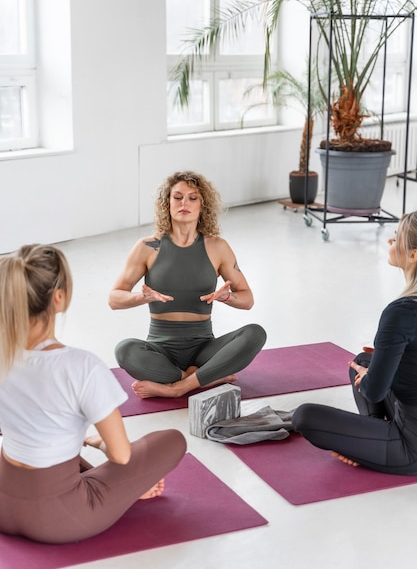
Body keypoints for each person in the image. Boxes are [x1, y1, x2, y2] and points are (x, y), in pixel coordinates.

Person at [0, 244, 186, 544]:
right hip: (58, 518)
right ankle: (124, 490)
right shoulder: (81, 366)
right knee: (171, 440)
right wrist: (98, 442)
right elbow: (121, 455)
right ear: (58, 299)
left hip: (4, 503)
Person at [109, 170, 267, 399]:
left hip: (204, 349)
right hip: (161, 350)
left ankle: (177, 386)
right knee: (124, 349)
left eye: (193, 198)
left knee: (255, 333)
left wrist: (227, 297)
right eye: (178, 197)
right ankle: (205, 377)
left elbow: (247, 299)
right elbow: (114, 298)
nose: (185, 203)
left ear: (203, 205)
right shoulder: (147, 246)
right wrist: (142, 297)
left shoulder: (217, 247)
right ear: (167, 203)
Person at [292, 211, 417, 475]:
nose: (389, 242)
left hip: (411, 447)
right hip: (407, 410)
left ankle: (368, 442)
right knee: (360, 362)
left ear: (413, 255)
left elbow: (373, 391)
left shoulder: (401, 312)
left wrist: (373, 375)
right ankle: (370, 436)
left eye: (395, 239)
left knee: (304, 416)